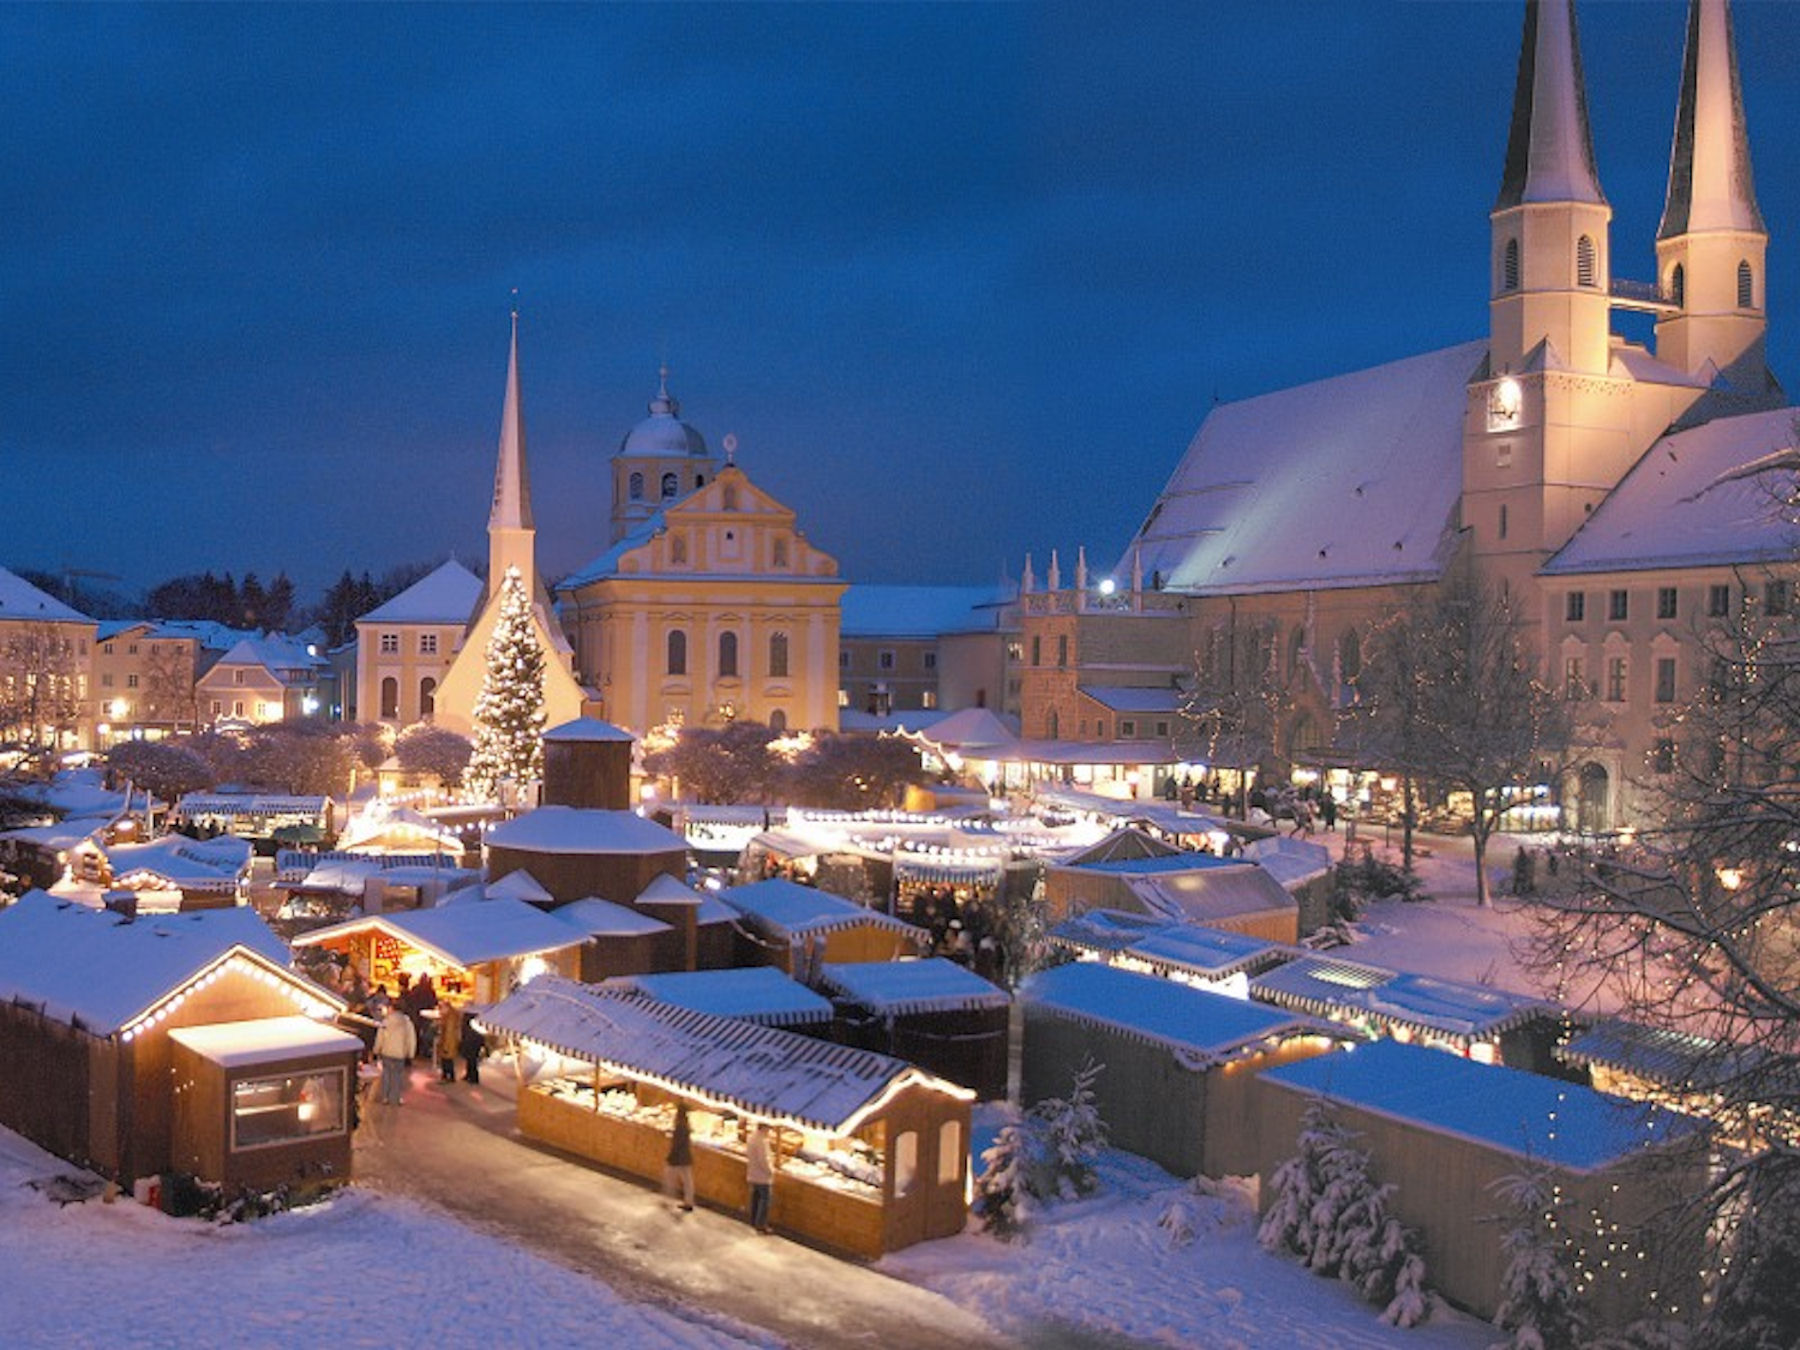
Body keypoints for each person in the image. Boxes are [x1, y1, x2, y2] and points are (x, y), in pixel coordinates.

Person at [372, 1003, 417, 1106]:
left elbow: (380, 1037)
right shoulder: (407, 1023)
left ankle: (385, 1097)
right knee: (398, 1075)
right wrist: (411, 1053)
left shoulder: (386, 1022)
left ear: (392, 1009)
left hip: (387, 1051)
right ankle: (396, 1097)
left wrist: (376, 1049)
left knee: (386, 1074)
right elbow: (411, 1039)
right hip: (400, 1053)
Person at [745, 1121, 775, 1234]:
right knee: (765, 1200)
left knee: (755, 1197)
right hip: (762, 1176)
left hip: (753, 1173)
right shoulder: (762, 1141)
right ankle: (761, 1224)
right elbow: (764, 1160)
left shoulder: (751, 1137)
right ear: (764, 1127)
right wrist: (771, 1171)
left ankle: (753, 1220)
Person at [665, 1102, 695, 1211]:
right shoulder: (685, 1124)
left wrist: (671, 1155)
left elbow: (677, 1143)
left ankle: (669, 1199)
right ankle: (688, 1201)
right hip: (685, 1156)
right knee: (687, 1180)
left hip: (678, 1157)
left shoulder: (680, 1126)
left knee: (670, 1177)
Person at [436, 1002, 463, 1083]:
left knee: (447, 1060)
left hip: (448, 1043)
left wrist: (446, 1046)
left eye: (441, 1008)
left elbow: (449, 1033)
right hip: (449, 1042)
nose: (440, 1011)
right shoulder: (450, 1016)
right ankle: (449, 1076)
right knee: (447, 1060)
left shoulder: (450, 1018)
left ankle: (447, 1077)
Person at [461, 1012, 486, 1084]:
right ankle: (469, 1074)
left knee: (472, 1059)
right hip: (471, 1041)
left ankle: (474, 1077)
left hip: (473, 1041)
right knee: (470, 1059)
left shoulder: (474, 1021)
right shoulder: (472, 1020)